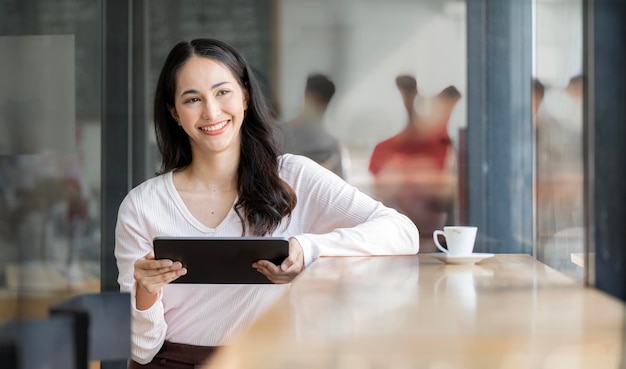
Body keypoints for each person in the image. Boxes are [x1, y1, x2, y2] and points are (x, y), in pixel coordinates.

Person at [114, 38, 419, 368]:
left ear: (245, 96)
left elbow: (403, 233)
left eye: (222, 92)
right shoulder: (142, 205)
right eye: (192, 99)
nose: (211, 111)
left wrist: (307, 248)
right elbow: (143, 351)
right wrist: (145, 291)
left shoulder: (294, 176)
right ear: (174, 112)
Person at [368, 76, 460, 253]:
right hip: (396, 239)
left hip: (433, 239)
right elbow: (379, 192)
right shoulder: (386, 149)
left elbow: (448, 191)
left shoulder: (444, 147)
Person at [276, 73, 347, 178]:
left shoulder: (332, 145)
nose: (318, 106)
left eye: (321, 101)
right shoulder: (280, 133)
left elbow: (341, 185)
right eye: (317, 100)